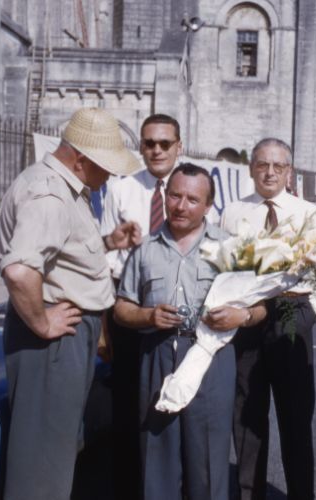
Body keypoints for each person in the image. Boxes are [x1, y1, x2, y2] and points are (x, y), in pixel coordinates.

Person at [0, 107, 141, 500]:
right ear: (80, 159)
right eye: (106, 166)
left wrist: (109, 242)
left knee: (55, 449)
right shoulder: (50, 195)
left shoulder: (63, 187)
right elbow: (20, 271)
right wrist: (42, 322)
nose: (110, 175)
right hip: (53, 342)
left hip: (63, 338)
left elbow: (61, 253)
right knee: (43, 460)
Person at [114, 163, 267, 500]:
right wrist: (147, 315)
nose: (181, 206)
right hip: (158, 356)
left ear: (208, 206)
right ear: (165, 197)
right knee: (157, 458)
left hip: (210, 357)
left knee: (207, 462)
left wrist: (241, 315)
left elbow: (260, 308)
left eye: (192, 200)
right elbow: (122, 308)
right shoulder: (145, 250)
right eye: (175, 196)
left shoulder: (231, 248)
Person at [220, 138, 316, 500]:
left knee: (296, 423)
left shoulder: (309, 213)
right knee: (247, 423)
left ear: (288, 172)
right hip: (246, 320)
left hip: (290, 316)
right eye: (262, 165)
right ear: (251, 168)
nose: (269, 173)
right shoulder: (233, 212)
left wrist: (312, 312)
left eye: (278, 166)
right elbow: (223, 267)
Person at [100, 113, 182, 499]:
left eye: (165, 143)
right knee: (128, 404)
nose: (157, 150)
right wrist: (104, 328)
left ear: (179, 147)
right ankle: (129, 489)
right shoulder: (121, 190)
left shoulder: (192, 187)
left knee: (176, 402)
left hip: (177, 308)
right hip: (129, 307)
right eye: (149, 143)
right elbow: (106, 261)